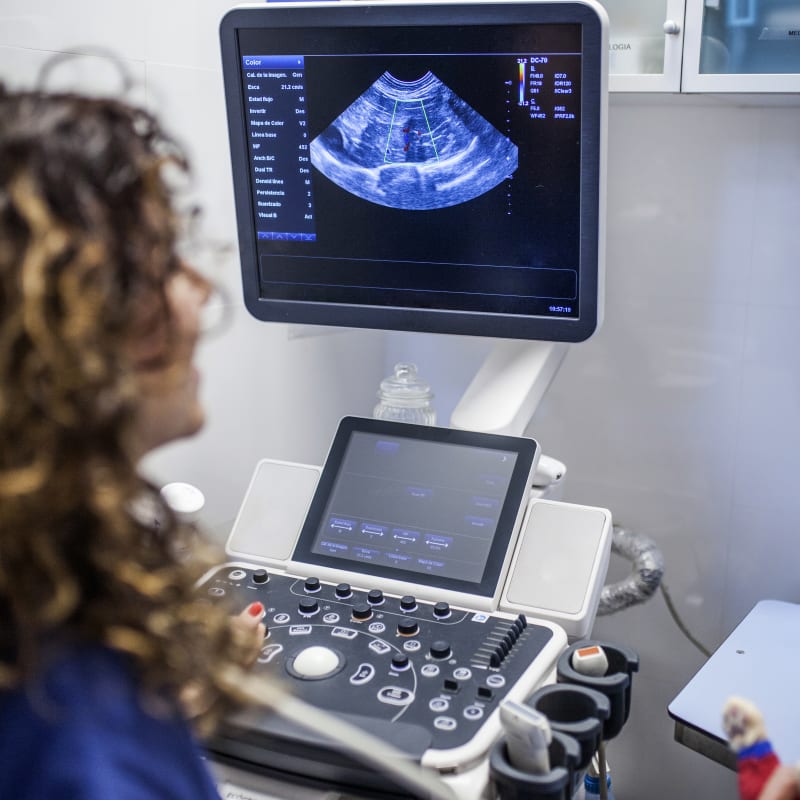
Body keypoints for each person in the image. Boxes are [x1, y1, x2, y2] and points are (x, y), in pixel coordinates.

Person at [0, 84, 265, 798]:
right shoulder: (86, 745)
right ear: (69, 335)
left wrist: (154, 696)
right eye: (163, 262)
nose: (199, 289)